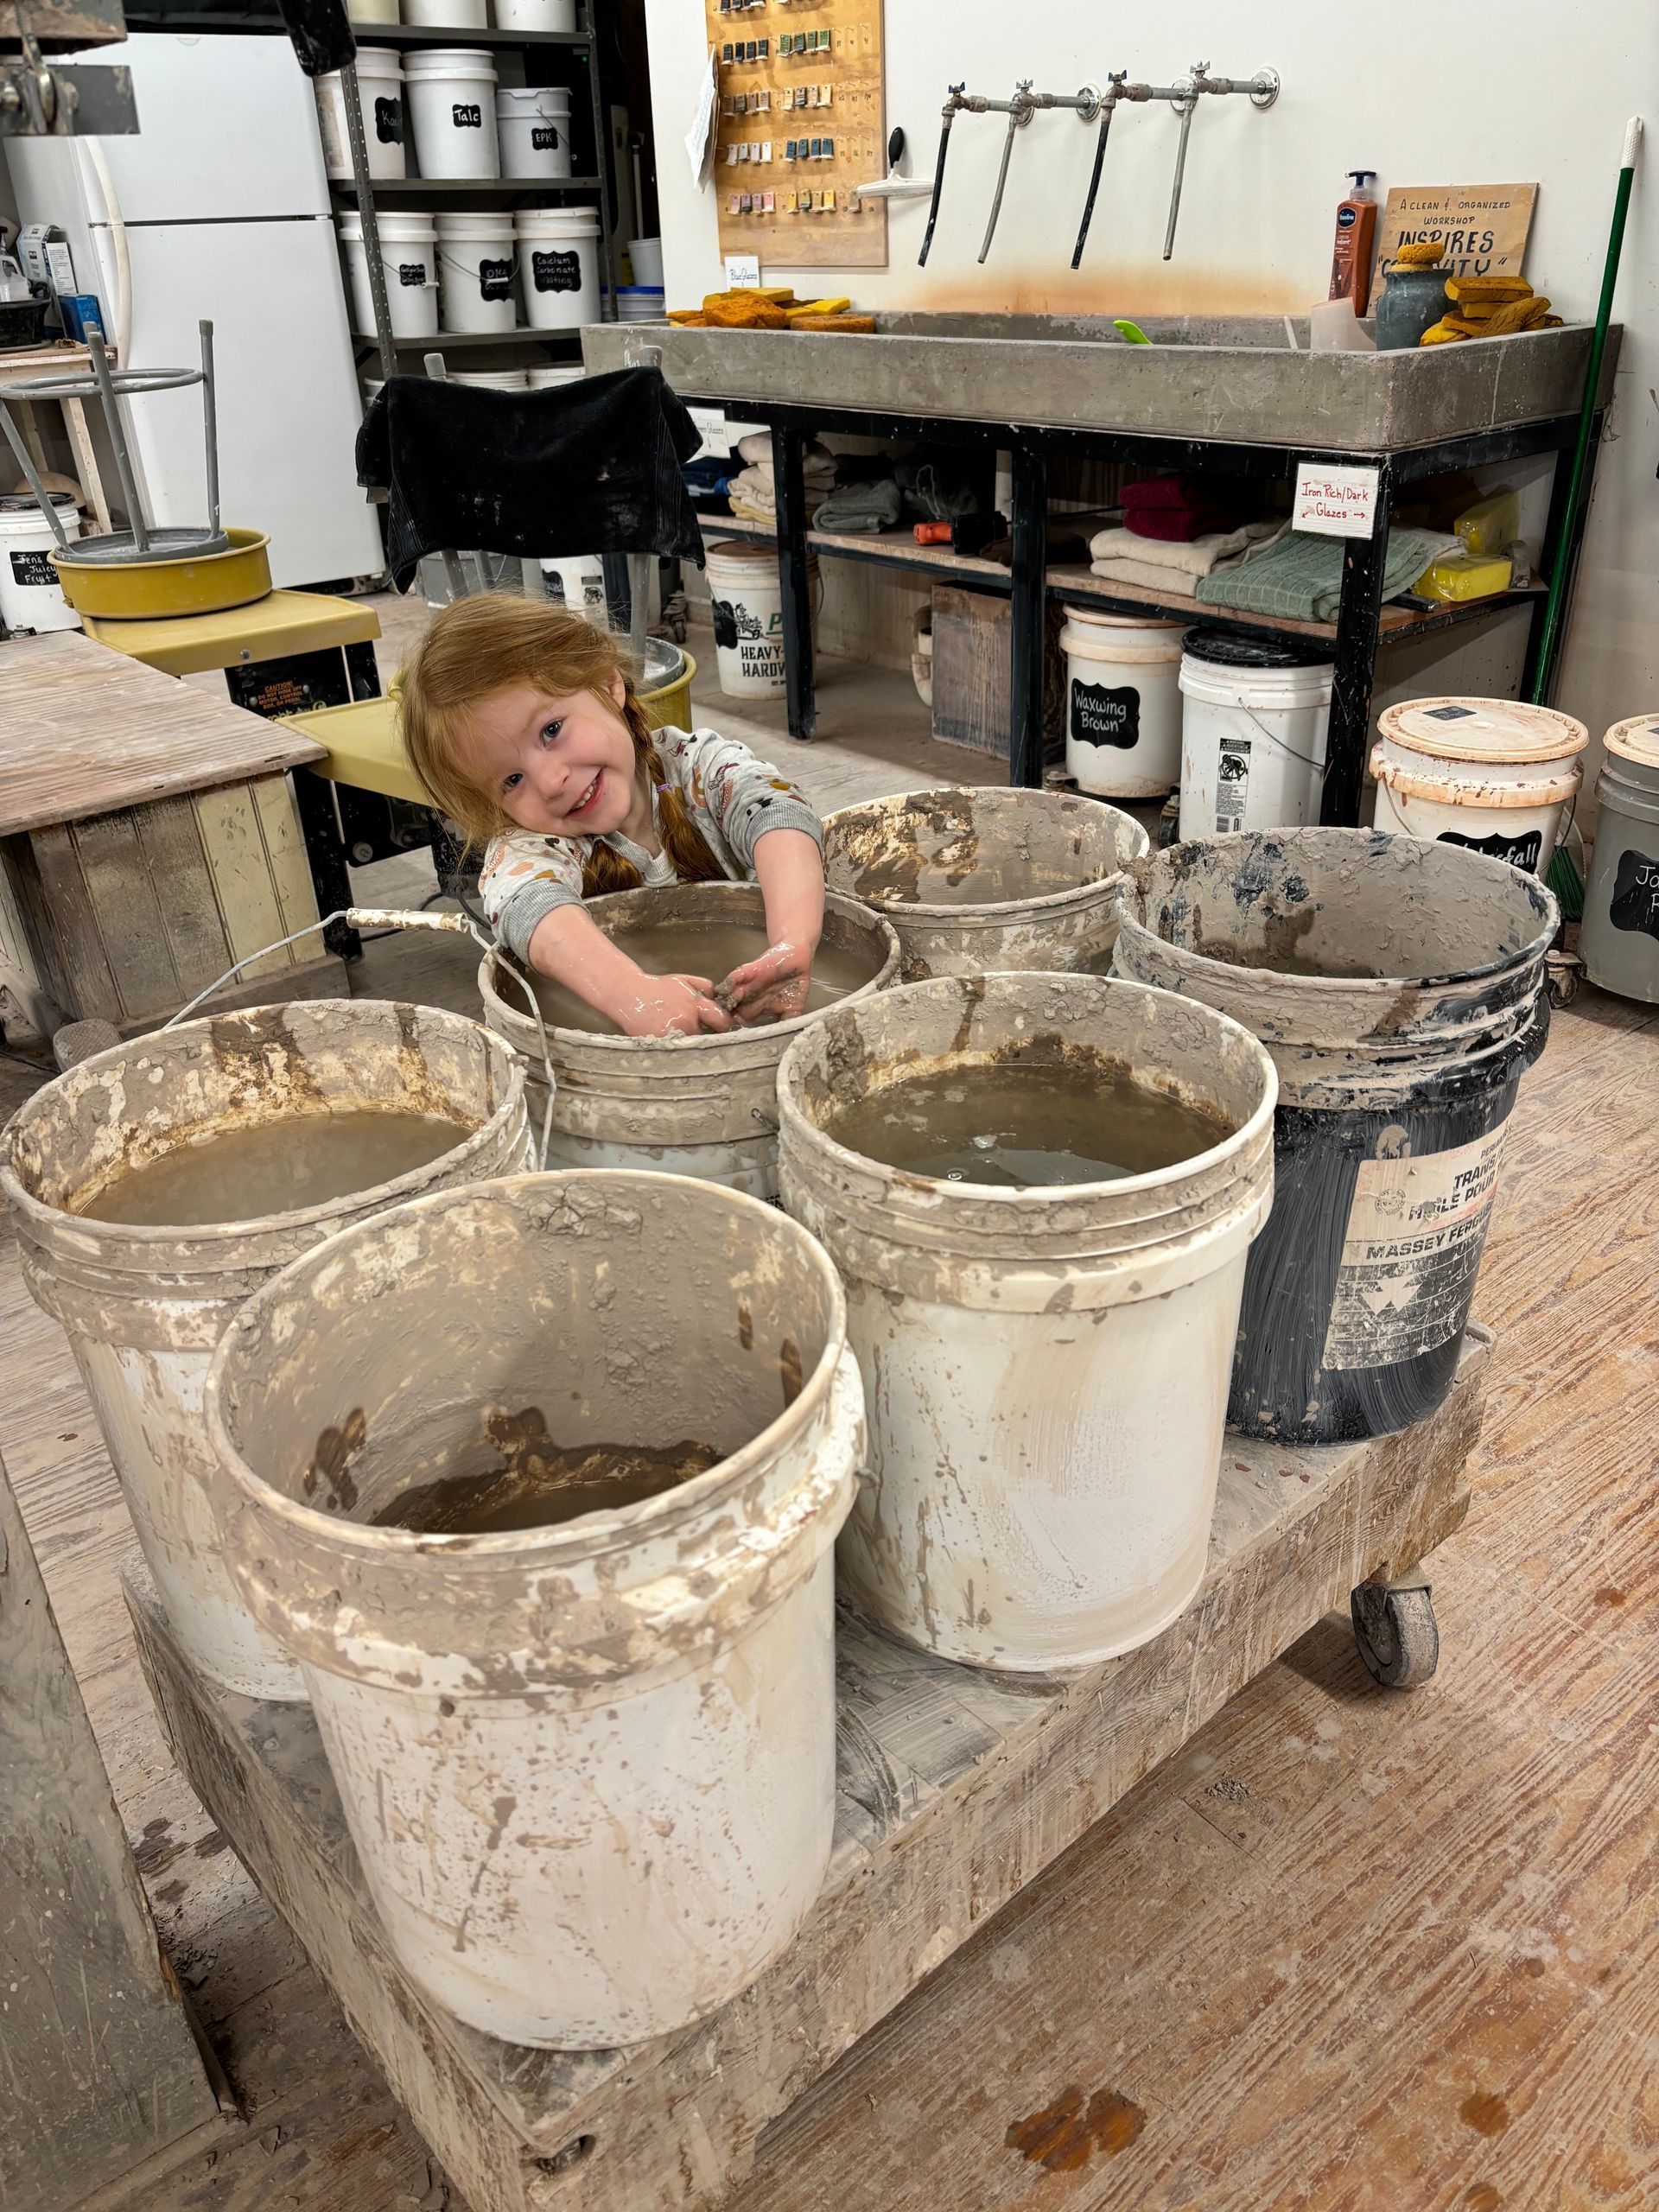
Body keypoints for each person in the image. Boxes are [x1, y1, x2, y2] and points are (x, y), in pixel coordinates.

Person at [400, 593, 826, 1037]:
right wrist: (632, 995)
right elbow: (529, 906)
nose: (550, 782)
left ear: (608, 685)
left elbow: (776, 813)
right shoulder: (530, 847)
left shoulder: (698, 766)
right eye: (511, 780)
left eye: (551, 731)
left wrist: (792, 941)